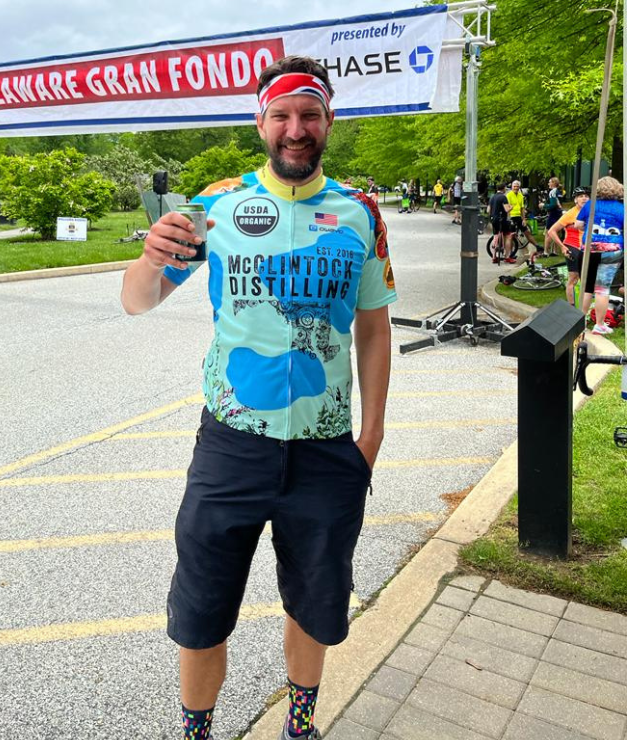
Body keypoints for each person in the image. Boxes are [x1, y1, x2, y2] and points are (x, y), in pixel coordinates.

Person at [120, 55, 396, 740]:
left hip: (327, 451)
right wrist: (151, 258)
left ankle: (300, 727)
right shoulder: (216, 205)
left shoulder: (360, 213)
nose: (295, 128)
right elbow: (136, 303)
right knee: (203, 607)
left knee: (315, 601)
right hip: (231, 448)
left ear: (329, 122)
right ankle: (196, 733)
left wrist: (373, 434)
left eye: (309, 114)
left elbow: (374, 326)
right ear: (261, 122)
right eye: (282, 114)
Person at [575, 176, 625, 335]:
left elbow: (578, 225)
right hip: (612, 251)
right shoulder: (621, 208)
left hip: (590, 249)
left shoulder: (590, 205)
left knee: (586, 287)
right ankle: (600, 325)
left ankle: (579, 324)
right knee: (602, 289)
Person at [547, 187, 594, 308]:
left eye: (586, 196)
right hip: (572, 247)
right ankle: (571, 307)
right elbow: (552, 231)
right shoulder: (570, 214)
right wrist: (562, 247)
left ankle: (585, 307)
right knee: (573, 278)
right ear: (575, 200)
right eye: (580, 196)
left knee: (587, 278)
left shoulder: (593, 211)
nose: (584, 198)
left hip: (588, 248)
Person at [506, 180, 541, 263]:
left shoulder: (520, 196)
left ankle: (537, 246)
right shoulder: (508, 195)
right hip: (511, 217)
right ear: (512, 187)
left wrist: (524, 219)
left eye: (517, 186)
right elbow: (507, 208)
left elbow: (522, 208)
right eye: (514, 186)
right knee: (512, 236)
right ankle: (510, 254)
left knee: (527, 232)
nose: (516, 188)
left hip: (518, 217)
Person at [487, 182, 514, 263]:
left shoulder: (492, 197)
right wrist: (511, 207)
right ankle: (507, 256)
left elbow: (488, 210)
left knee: (496, 236)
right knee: (508, 236)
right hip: (502, 219)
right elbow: (506, 209)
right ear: (504, 188)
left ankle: (494, 257)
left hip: (493, 219)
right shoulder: (503, 197)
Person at [542, 177, 563, 256]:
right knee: (557, 232)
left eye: (549, 182)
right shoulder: (559, 191)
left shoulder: (552, 192)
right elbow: (559, 204)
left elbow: (553, 205)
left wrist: (543, 205)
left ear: (554, 183)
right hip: (559, 214)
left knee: (549, 233)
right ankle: (554, 251)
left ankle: (545, 252)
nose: (548, 184)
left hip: (553, 214)